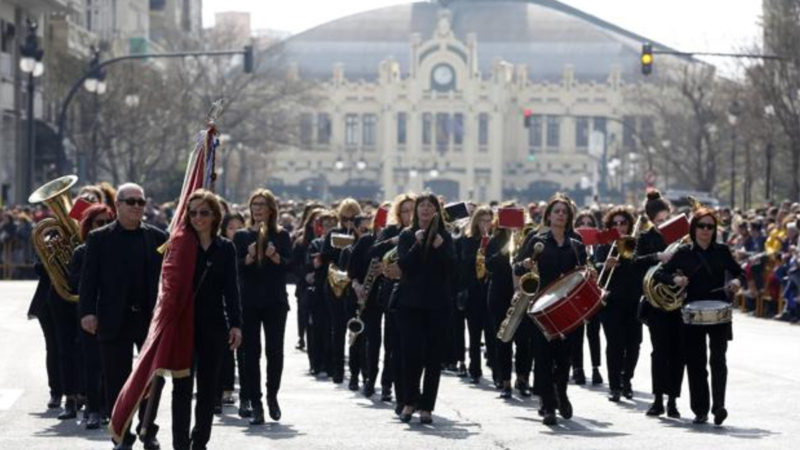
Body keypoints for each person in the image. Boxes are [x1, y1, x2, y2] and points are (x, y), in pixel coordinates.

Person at [79, 182, 168, 450]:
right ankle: (122, 434)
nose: (137, 207)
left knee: (153, 380)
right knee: (117, 380)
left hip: (149, 320)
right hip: (112, 318)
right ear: (117, 205)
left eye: (141, 202)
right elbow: (88, 281)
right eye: (131, 202)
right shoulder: (99, 238)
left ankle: (148, 430)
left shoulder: (157, 238)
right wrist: (87, 313)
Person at [655, 207, 744, 425]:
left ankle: (719, 406)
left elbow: (739, 271)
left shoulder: (722, 251)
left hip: (719, 310)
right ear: (694, 228)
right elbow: (659, 273)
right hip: (692, 313)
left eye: (710, 227)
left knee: (718, 360)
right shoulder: (684, 252)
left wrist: (735, 282)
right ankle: (701, 409)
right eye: (701, 226)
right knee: (696, 362)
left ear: (714, 230)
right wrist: (675, 280)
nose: (705, 230)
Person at [172, 189, 242, 450]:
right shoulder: (179, 244)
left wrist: (236, 324)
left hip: (213, 325)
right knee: (181, 388)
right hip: (182, 325)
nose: (197, 217)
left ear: (215, 216)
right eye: (192, 213)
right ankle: (179, 444)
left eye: (204, 212)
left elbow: (231, 290)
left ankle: (199, 441)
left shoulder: (226, 248)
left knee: (208, 389)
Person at [514, 194, 586, 426]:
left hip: (567, 309)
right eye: (556, 211)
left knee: (563, 358)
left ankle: (561, 393)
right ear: (548, 215)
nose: (560, 215)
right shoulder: (537, 240)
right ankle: (547, 405)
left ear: (569, 217)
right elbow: (516, 265)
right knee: (543, 358)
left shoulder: (576, 244)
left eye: (564, 212)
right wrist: (524, 265)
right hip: (540, 307)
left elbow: (584, 271)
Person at [233, 189, 292, 425]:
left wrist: (275, 256)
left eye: (262, 205)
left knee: (274, 351)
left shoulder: (282, 235)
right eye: (254, 204)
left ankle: (272, 397)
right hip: (248, 301)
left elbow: (290, 265)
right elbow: (234, 267)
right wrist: (247, 258)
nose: (257, 209)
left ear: (271, 209)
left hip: (275, 300)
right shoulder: (241, 235)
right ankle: (255, 402)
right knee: (251, 353)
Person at [396, 193, 455, 424]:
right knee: (411, 355)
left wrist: (440, 248)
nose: (426, 209)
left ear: (437, 211)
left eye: (431, 206)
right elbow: (403, 266)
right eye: (422, 206)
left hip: (438, 305)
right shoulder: (407, 235)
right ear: (416, 210)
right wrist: (417, 244)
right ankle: (410, 401)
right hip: (410, 304)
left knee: (433, 358)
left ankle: (427, 406)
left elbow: (452, 270)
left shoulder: (445, 237)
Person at [636, 190, 683, 418]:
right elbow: (636, 263)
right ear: (651, 219)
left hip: (678, 300)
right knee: (659, 351)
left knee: (677, 351)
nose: (664, 223)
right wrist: (657, 257)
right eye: (660, 220)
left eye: (667, 218)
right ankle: (657, 400)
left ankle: (673, 400)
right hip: (656, 303)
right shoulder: (646, 238)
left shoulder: (681, 237)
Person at [71, 203, 116, 429]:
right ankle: (93, 409)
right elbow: (76, 284)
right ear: (89, 226)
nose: (105, 227)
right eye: (99, 223)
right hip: (91, 315)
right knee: (92, 364)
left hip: (115, 314)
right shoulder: (81, 251)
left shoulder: (119, 247)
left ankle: (111, 408)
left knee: (113, 365)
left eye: (109, 222)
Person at [369, 194, 415, 407]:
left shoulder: (421, 233)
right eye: (405, 210)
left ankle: (408, 390)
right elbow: (374, 250)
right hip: (391, 291)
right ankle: (387, 383)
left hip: (415, 292)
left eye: (412, 210)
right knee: (392, 343)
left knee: (411, 346)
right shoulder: (391, 231)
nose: (409, 214)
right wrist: (395, 241)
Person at [594, 206, 642, 402]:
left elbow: (642, 265)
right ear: (610, 226)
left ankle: (627, 380)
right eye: (615, 223)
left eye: (623, 223)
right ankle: (615, 386)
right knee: (615, 344)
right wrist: (605, 265)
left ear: (629, 225)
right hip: (611, 302)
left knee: (634, 344)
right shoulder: (604, 246)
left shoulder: (636, 244)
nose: (620, 226)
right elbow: (594, 266)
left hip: (633, 301)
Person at [320, 198, 362, 384]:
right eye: (345, 218)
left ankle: (354, 372)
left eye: (353, 218)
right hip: (335, 286)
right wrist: (341, 248)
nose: (349, 222)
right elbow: (324, 257)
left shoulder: (362, 235)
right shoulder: (333, 234)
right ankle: (337, 369)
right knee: (336, 329)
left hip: (354, 288)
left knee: (355, 330)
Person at [455, 206, 494, 385]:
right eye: (482, 220)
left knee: (491, 331)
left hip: (490, 290)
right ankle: (474, 367)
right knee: (474, 332)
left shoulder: (496, 240)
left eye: (488, 220)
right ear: (476, 221)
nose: (485, 224)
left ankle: (496, 368)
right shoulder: (467, 240)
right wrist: (481, 251)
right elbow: (464, 263)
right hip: (473, 290)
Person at [216, 211, 247, 416]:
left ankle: (246, 394)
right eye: (231, 227)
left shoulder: (247, 245)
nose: (235, 231)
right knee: (224, 350)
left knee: (244, 352)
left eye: (239, 227)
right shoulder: (221, 248)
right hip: (222, 304)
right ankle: (222, 390)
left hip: (246, 302)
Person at [571, 211, 603, 385]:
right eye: (581, 223)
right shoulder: (573, 244)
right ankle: (578, 369)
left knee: (594, 333)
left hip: (594, 294)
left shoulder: (600, 245)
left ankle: (596, 368)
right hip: (577, 294)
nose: (585, 226)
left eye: (589, 222)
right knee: (577, 334)